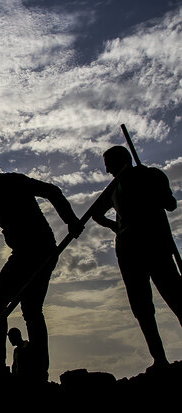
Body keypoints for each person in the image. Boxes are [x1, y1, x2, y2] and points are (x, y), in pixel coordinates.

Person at [0, 152, 82, 380]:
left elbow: (52, 191)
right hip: (28, 253)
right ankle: (26, 367)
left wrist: (71, 220)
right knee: (29, 310)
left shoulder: (14, 182)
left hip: (37, 251)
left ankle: (2, 364)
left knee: (2, 304)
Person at [92, 145, 182, 371]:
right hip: (129, 249)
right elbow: (95, 213)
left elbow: (170, 204)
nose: (108, 172)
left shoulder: (150, 175)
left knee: (176, 296)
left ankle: (161, 360)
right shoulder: (114, 188)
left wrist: (155, 190)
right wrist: (117, 227)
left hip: (155, 244)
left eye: (109, 166)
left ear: (122, 161)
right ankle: (159, 359)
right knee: (142, 307)